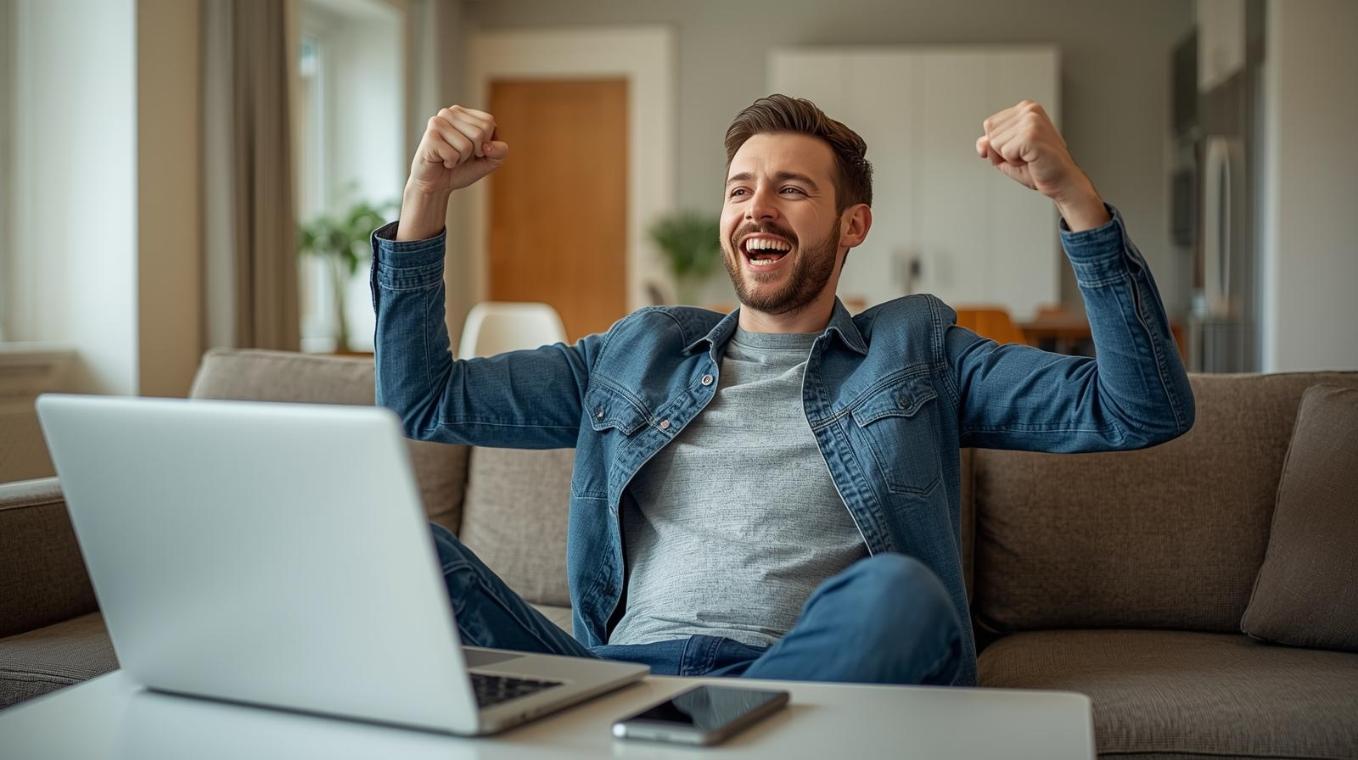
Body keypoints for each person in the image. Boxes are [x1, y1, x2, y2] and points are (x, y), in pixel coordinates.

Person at [369, 94, 1194, 687]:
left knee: (903, 595)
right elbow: (423, 402)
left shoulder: (918, 350)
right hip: (621, 684)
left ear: (852, 225)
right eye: (740, 189)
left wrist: (1072, 198)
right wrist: (426, 197)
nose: (756, 207)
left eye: (791, 189)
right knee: (399, 551)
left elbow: (1138, 408)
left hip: (808, 688)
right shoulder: (634, 353)